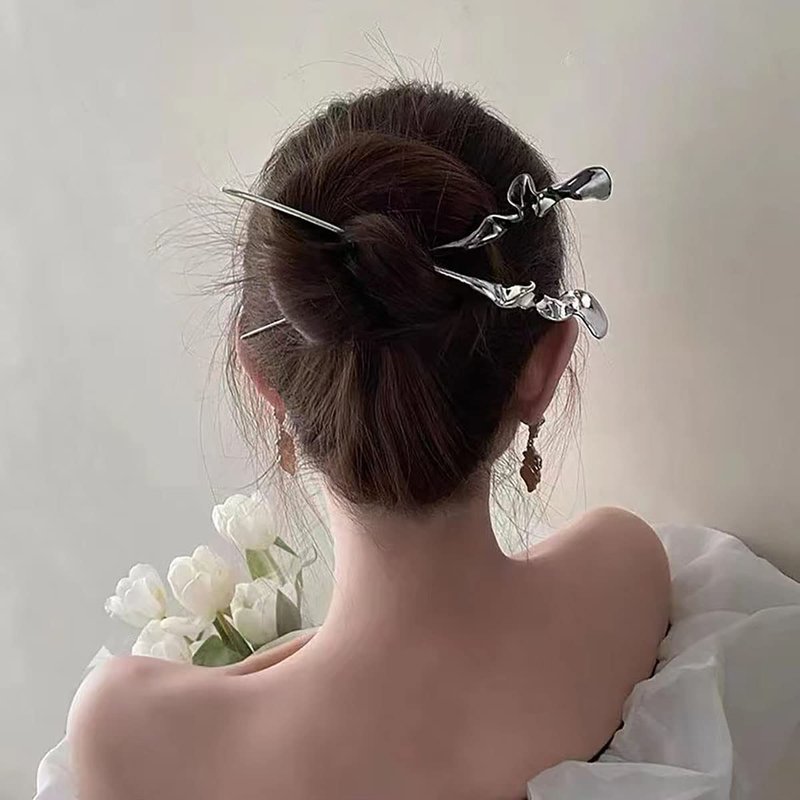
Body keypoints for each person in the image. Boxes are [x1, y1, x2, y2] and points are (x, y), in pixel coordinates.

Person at [67, 82, 671, 800]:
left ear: (260, 375)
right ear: (544, 366)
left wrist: (282, 658)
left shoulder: (136, 732)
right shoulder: (624, 574)